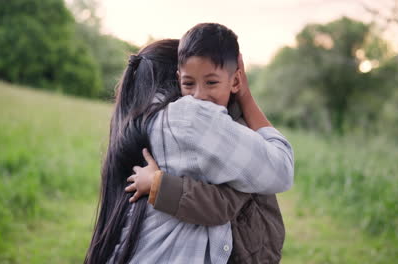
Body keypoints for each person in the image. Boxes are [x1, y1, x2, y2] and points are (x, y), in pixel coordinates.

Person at [86, 24, 294, 264]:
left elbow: (218, 202)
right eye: (189, 83)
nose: (198, 97)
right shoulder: (189, 117)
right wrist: (245, 95)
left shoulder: (144, 121)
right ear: (177, 78)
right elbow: (282, 167)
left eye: (211, 82)